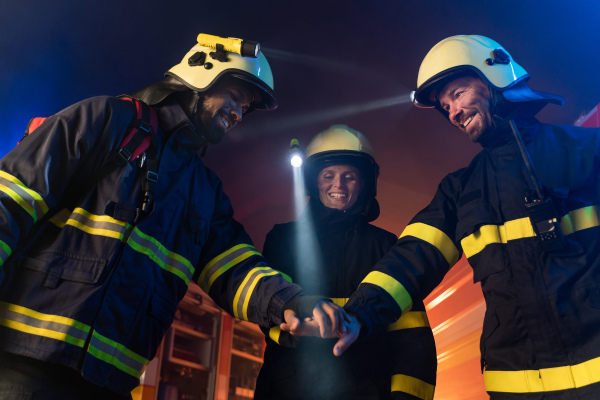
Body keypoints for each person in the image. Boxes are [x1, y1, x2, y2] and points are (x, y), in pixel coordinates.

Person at [0, 33, 345, 399]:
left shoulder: (204, 190)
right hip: (23, 360)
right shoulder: (107, 120)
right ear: (201, 74)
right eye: (234, 97)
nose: (237, 113)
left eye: (244, 108)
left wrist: (290, 302)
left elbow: (235, 269)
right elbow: (11, 199)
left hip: (109, 381)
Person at [335, 35, 600, 399]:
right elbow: (411, 258)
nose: (453, 114)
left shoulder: (587, 152)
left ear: (495, 78)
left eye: (457, 94)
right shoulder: (460, 190)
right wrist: (358, 314)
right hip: (518, 388)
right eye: (446, 108)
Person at [254, 125, 437, 400]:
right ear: (314, 182)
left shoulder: (386, 246)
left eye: (349, 177)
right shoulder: (283, 239)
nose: (338, 185)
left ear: (365, 184)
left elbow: (413, 337)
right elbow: (269, 313)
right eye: (328, 175)